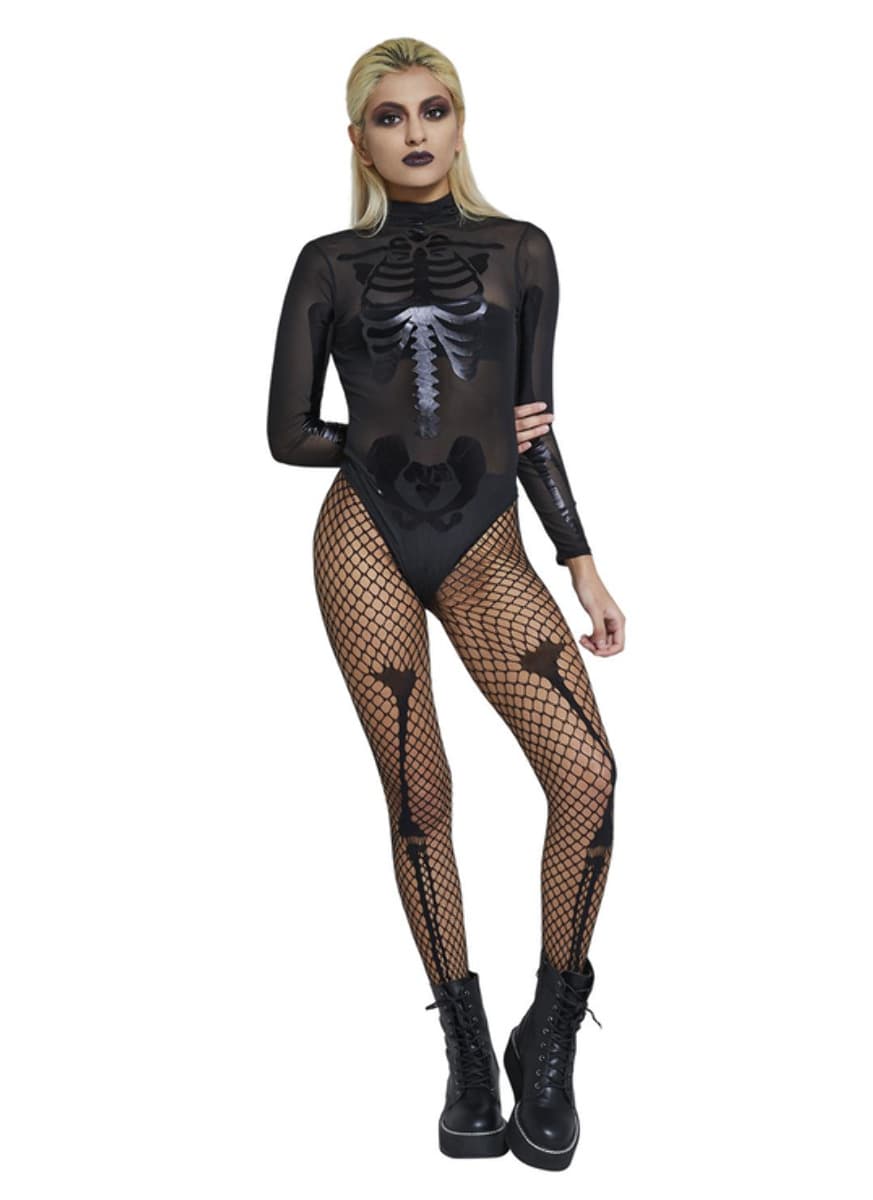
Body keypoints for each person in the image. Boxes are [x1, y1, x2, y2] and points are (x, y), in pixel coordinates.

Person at [266, 37, 625, 1171]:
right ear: (359, 140)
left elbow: (533, 427)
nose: (414, 133)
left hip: (486, 539)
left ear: (461, 125)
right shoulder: (328, 263)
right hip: (365, 535)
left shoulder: (522, 250)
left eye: (433, 111)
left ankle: (547, 1037)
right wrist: (384, 440)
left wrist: (579, 560)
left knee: (589, 778)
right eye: (389, 117)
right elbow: (287, 433)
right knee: (420, 799)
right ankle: (468, 1055)